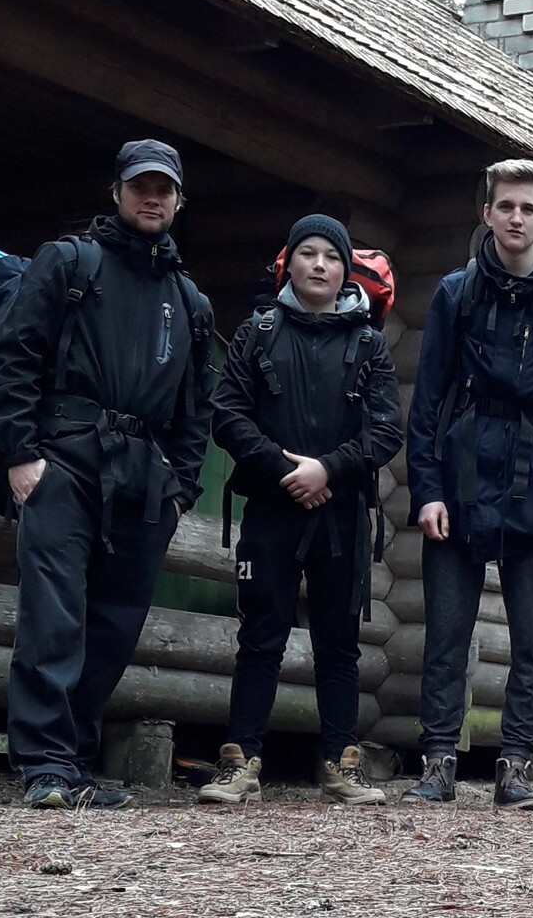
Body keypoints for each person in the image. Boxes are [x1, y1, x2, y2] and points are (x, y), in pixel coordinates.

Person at [0, 139, 215, 810]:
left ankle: (74, 762)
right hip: (63, 457)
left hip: (145, 477)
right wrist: (21, 455)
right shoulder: (68, 262)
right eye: (140, 186)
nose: (152, 198)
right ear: (116, 192)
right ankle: (45, 766)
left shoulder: (189, 300)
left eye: (164, 189)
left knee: (115, 624)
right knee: (53, 614)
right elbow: (15, 356)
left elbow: (196, 407)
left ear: (179, 201)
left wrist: (182, 488)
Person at [402, 160, 533, 810]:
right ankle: (439, 760)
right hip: (460, 482)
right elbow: (425, 402)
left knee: (531, 640)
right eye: (505, 206)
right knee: (446, 634)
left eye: (527, 208)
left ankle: (515, 766)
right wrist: (427, 490)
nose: (515, 218)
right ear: (487, 214)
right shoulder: (456, 294)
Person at [198, 216, 401, 807]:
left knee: (339, 643)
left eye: (331, 256)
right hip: (271, 508)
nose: (319, 264)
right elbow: (227, 414)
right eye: (307, 253)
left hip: (340, 515)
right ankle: (240, 763)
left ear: (345, 270)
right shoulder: (258, 332)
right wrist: (285, 470)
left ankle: (341, 764)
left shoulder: (369, 343)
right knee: (260, 637)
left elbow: (387, 430)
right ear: (288, 264)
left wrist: (328, 470)